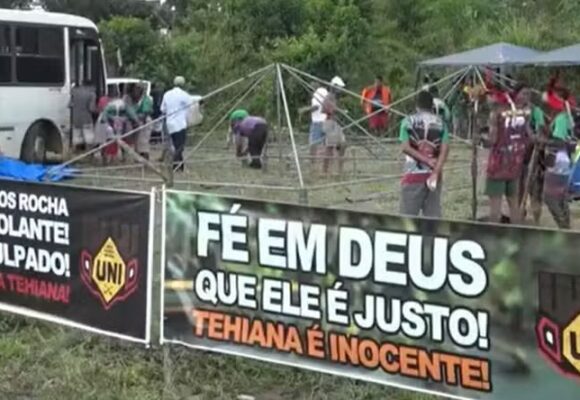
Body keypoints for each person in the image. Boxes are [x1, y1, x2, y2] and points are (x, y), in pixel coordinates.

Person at [399, 90, 450, 218]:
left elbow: (405, 147)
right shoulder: (441, 124)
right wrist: (436, 172)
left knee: (408, 219)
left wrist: (425, 160)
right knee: (432, 220)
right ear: (431, 105)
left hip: (413, 174)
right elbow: (444, 151)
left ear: (417, 105)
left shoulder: (407, 122)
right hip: (434, 177)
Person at [484, 92, 531, 225]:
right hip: (515, 164)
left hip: (497, 166)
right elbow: (528, 137)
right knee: (514, 205)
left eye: (490, 94)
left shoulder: (496, 113)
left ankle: (494, 236)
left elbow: (492, 140)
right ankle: (516, 234)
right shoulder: (523, 113)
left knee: (495, 209)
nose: (489, 98)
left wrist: (481, 139)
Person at [542, 87, 575, 229]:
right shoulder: (566, 116)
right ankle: (565, 224)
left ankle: (563, 225)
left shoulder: (561, 118)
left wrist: (543, 140)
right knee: (560, 195)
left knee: (550, 197)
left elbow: (559, 140)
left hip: (558, 159)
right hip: (564, 160)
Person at [161, 76, 195, 172]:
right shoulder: (184, 95)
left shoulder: (167, 94)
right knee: (179, 147)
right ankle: (175, 166)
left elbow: (162, 109)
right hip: (180, 124)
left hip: (169, 124)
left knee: (176, 146)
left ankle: (180, 166)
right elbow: (191, 106)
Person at [299, 82, 329, 172]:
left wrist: (304, 110)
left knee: (313, 143)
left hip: (317, 121)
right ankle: (326, 164)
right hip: (326, 120)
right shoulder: (325, 92)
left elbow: (316, 107)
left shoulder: (317, 94)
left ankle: (312, 163)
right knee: (326, 143)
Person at [322, 76, 347, 176]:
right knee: (330, 148)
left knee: (343, 145)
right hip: (330, 123)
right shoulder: (329, 97)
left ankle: (339, 170)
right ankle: (325, 171)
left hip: (335, 123)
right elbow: (326, 109)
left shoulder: (333, 97)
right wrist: (340, 111)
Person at [70, 83, 97, 151]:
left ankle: (74, 156)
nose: (95, 89)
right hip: (86, 119)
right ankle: (88, 155)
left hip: (76, 119)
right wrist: (97, 110)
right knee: (89, 139)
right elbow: (91, 108)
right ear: (90, 86)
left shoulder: (75, 92)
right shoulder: (92, 94)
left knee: (76, 138)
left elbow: (70, 105)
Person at [133, 84, 154, 160]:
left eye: (136, 90)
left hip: (145, 121)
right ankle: (140, 159)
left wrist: (140, 120)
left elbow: (146, 112)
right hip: (140, 121)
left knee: (143, 141)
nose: (135, 92)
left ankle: (145, 160)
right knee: (139, 142)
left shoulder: (146, 100)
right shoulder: (139, 100)